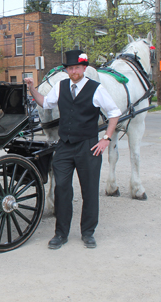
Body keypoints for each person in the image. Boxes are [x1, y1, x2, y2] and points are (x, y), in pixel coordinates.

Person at [25, 49, 121, 250]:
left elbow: (114, 113)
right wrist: (33, 89)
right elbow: (45, 102)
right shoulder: (61, 86)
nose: (74, 71)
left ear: (84, 68)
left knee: (89, 191)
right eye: (70, 68)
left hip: (88, 146)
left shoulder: (96, 88)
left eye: (77, 67)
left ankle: (88, 233)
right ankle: (61, 234)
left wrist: (106, 138)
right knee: (62, 190)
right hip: (65, 146)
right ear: (67, 70)